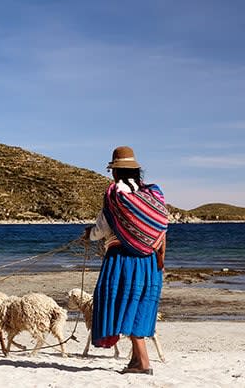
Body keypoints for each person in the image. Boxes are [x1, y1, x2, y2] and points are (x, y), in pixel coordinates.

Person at [81, 146, 168, 375]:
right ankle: (137, 361)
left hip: (123, 260)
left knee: (124, 306)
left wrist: (88, 234)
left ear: (115, 172)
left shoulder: (115, 196)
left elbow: (101, 229)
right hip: (150, 261)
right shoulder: (152, 195)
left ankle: (144, 363)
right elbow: (160, 230)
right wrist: (160, 259)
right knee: (139, 306)